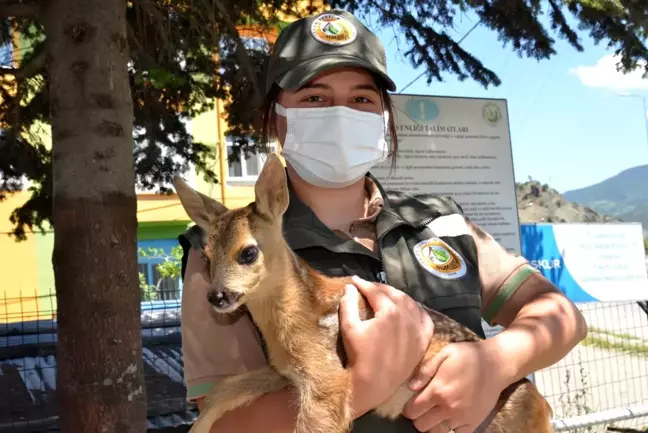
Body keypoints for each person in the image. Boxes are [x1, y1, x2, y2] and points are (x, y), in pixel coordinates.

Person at [177, 9, 588, 433]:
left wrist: (494, 363)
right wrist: (367, 384)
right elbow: (225, 424)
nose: (340, 113)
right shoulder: (226, 248)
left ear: (383, 116)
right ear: (275, 115)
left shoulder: (441, 221)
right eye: (314, 98)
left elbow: (562, 317)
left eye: (361, 99)